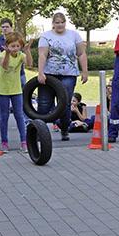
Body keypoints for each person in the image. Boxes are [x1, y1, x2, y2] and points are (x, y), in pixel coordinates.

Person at [37, 13, 89, 141]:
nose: (59, 25)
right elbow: (42, 55)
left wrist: (85, 71)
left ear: (65, 23)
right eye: (57, 22)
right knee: (44, 104)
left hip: (69, 74)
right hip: (50, 74)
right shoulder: (46, 36)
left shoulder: (74, 35)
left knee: (64, 103)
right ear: (53, 24)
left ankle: (65, 129)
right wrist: (40, 72)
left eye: (62, 22)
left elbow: (81, 53)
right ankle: (39, 131)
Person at [0, 32, 32, 152]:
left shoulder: (21, 55)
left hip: (16, 90)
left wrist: (27, 51)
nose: (15, 49)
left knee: (19, 115)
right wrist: (7, 53)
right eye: (12, 46)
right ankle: (4, 142)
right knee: (4, 116)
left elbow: (30, 64)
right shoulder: (2, 55)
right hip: (3, 90)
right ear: (7, 46)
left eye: (17, 46)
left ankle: (24, 141)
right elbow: (5, 66)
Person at [0, 18, 28, 97]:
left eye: (7, 27)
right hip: (2, 73)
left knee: (22, 95)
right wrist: (6, 54)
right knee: (3, 95)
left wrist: (1, 53)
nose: (5, 29)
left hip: (19, 73)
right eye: (3, 27)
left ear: (11, 27)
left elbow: (23, 53)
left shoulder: (18, 38)